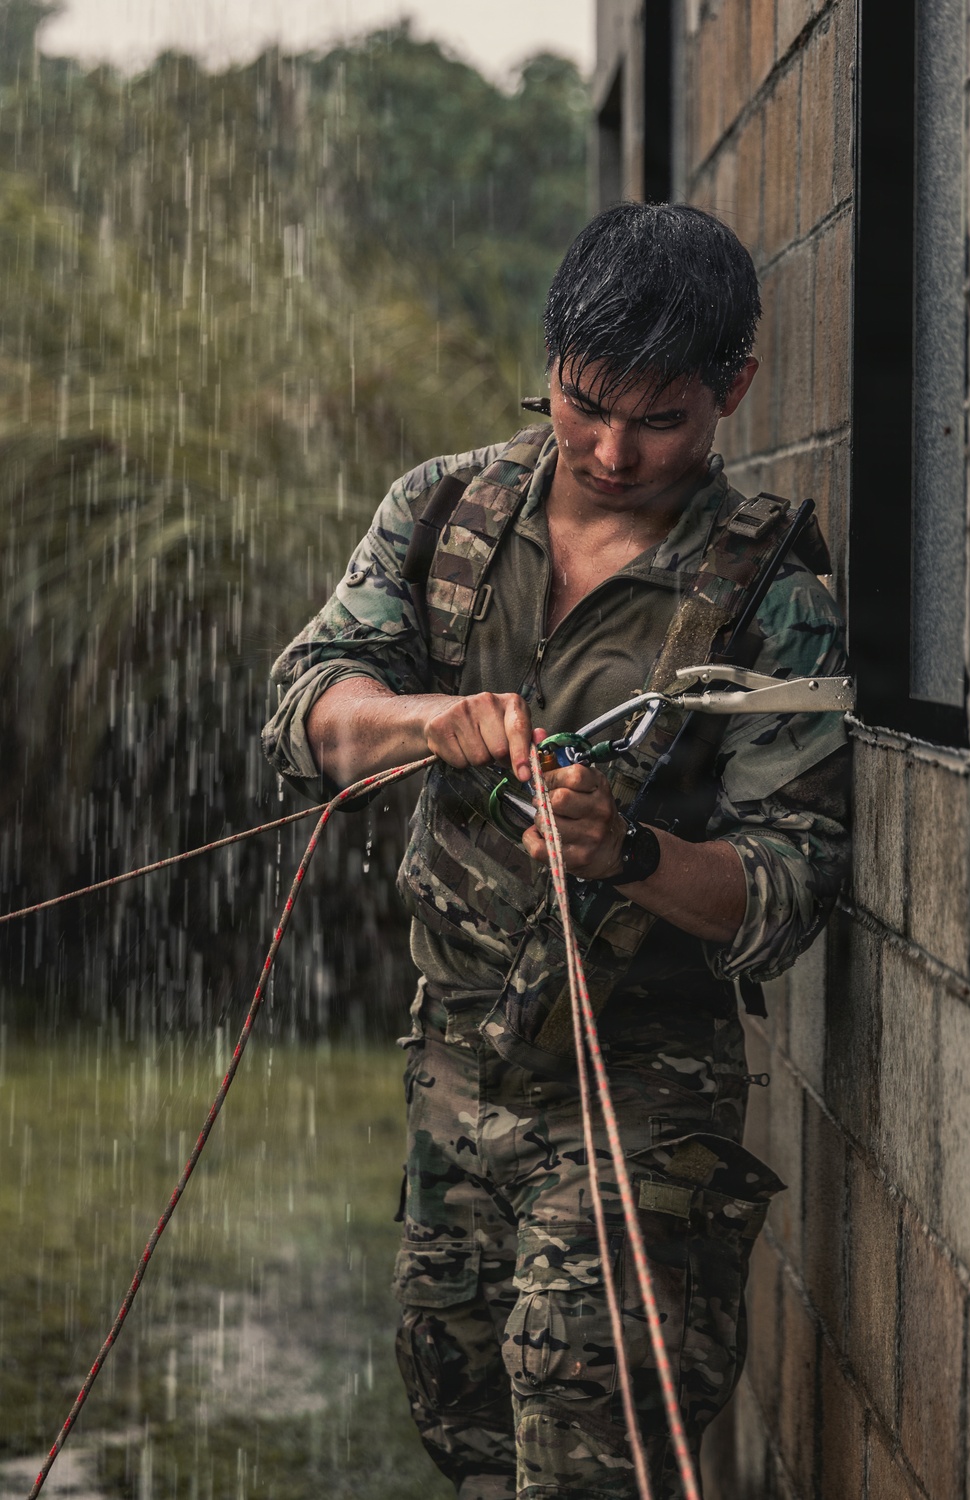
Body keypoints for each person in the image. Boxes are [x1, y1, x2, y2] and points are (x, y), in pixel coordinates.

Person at [262, 203, 850, 1500]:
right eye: (585, 404)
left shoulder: (774, 601)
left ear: (734, 389)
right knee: (464, 1420)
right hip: (454, 1061)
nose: (613, 450)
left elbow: (795, 884)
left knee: (589, 1455)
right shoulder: (443, 512)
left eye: (660, 419)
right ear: (551, 361)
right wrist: (428, 719)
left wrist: (631, 854)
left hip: (642, 1091)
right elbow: (306, 709)